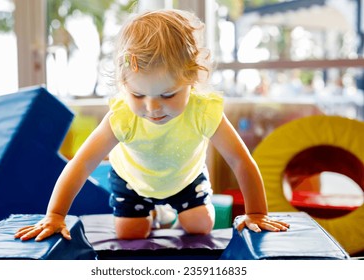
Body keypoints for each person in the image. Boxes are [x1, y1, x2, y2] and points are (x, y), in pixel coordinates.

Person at [15, 9, 289, 242]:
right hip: (132, 181)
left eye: (168, 94)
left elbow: (240, 160)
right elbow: (81, 164)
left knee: (200, 226)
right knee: (130, 234)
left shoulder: (203, 111)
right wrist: (55, 215)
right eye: (137, 95)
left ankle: (170, 212)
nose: (152, 107)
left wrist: (256, 213)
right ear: (124, 86)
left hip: (186, 178)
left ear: (192, 80)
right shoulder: (122, 118)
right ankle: (158, 214)